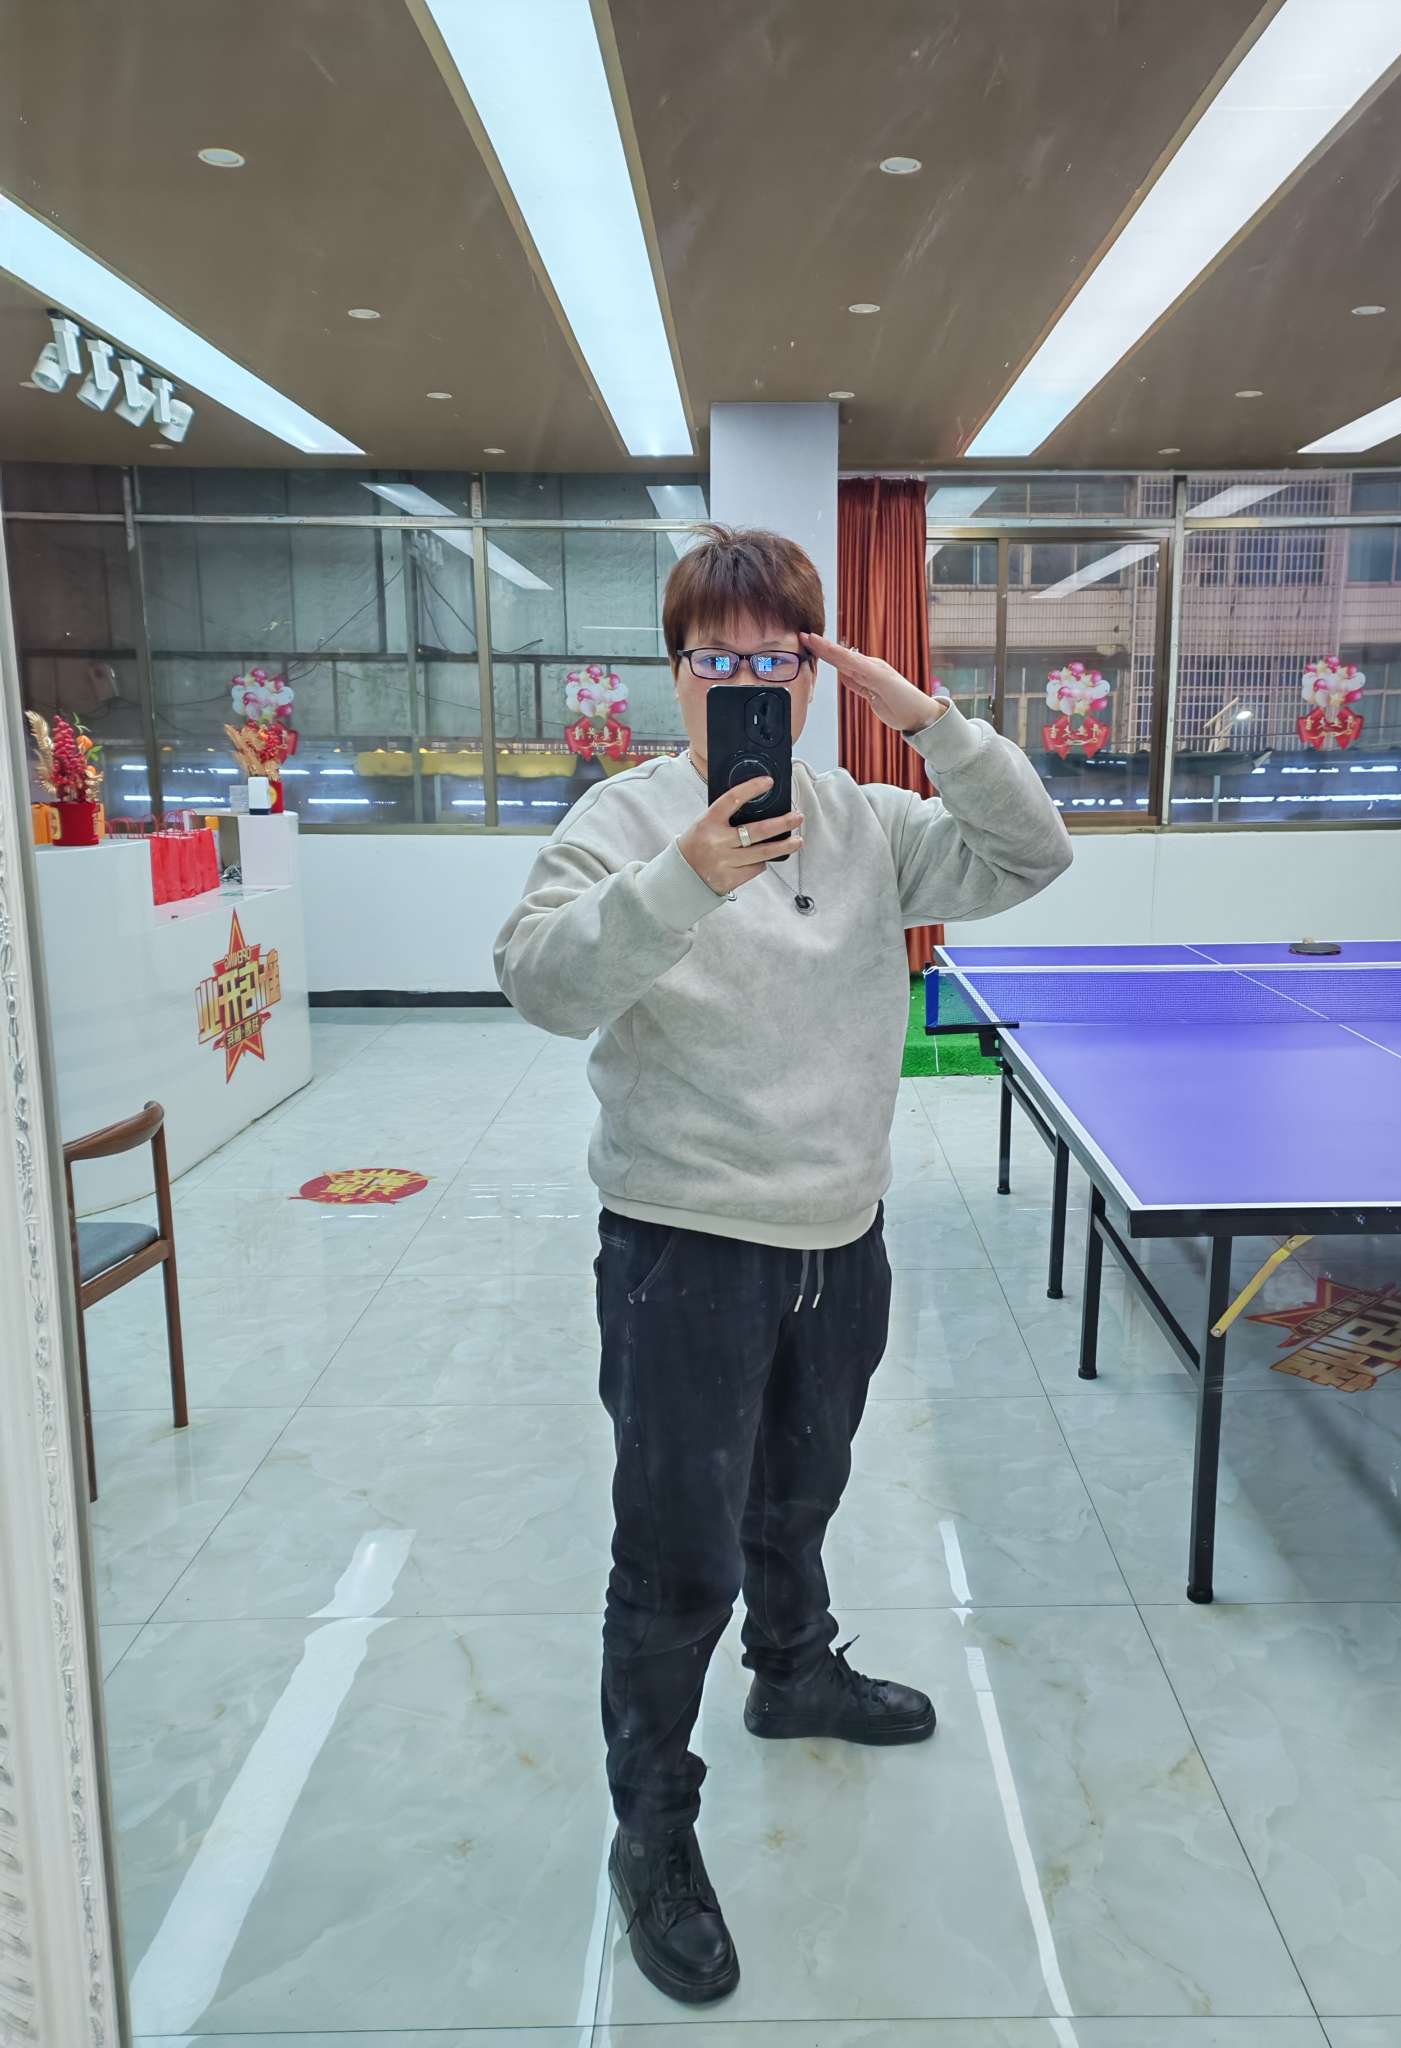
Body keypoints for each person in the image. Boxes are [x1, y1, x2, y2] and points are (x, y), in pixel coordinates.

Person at [494, 524, 1072, 2005]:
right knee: (674, 1557)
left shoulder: (868, 819)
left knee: (800, 1495)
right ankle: (652, 1831)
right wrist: (682, 879)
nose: (742, 681)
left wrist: (924, 715)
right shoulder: (626, 819)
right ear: (675, 672)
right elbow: (539, 982)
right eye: (715, 659)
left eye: (775, 659)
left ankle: (795, 1671)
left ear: (812, 675)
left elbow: (1033, 851)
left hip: (842, 1237)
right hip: (682, 1249)